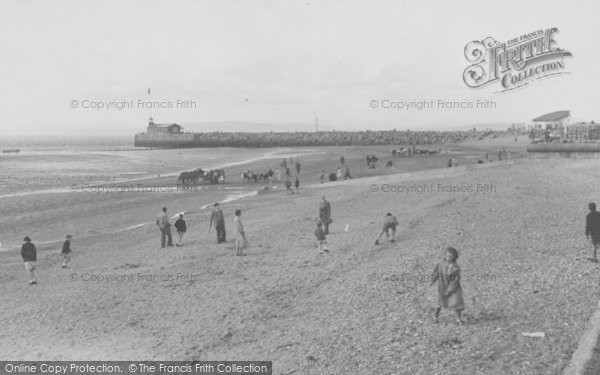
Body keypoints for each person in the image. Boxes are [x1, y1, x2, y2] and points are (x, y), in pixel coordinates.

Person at [430, 247, 464, 325]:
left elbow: (455, 280)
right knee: (439, 303)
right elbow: (437, 272)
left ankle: (458, 319)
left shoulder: (455, 267)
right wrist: (433, 280)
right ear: (445, 255)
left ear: (454, 257)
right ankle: (435, 317)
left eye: (451, 257)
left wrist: (449, 290)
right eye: (447, 256)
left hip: (453, 289)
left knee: (457, 303)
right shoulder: (441, 263)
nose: (449, 258)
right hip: (443, 286)